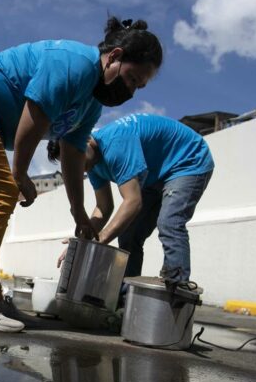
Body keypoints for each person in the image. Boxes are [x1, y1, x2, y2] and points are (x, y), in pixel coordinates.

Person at [0, 17, 163, 332]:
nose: (130, 91)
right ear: (114, 56)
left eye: (139, 87)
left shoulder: (91, 104)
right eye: (131, 79)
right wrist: (18, 174)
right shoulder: (74, 64)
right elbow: (33, 117)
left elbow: (72, 155)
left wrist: (79, 214)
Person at [80, 112, 214, 289]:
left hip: (187, 161)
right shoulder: (90, 164)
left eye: (77, 157)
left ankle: (178, 286)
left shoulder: (115, 143)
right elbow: (103, 207)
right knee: (129, 234)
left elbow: (133, 202)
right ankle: (127, 291)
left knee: (170, 222)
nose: (78, 167)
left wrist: (100, 240)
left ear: (87, 140)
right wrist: (81, 243)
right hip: (154, 175)